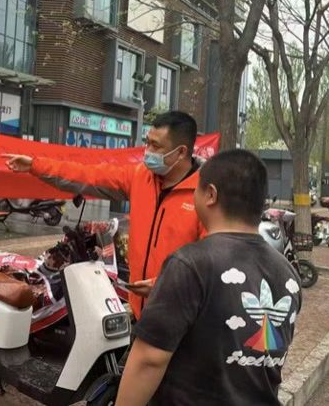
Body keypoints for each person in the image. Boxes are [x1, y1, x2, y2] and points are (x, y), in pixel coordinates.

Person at [116, 149, 302, 405]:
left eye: (196, 188)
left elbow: (149, 360)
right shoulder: (288, 273)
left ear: (210, 195)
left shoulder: (190, 264)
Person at [3, 111, 205, 320]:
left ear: (181, 152)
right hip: (142, 314)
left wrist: (162, 286)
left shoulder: (206, 196)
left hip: (181, 319)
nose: (148, 151)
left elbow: (211, 265)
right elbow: (88, 175)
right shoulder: (140, 177)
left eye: (156, 146)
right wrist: (35, 165)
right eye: (147, 142)